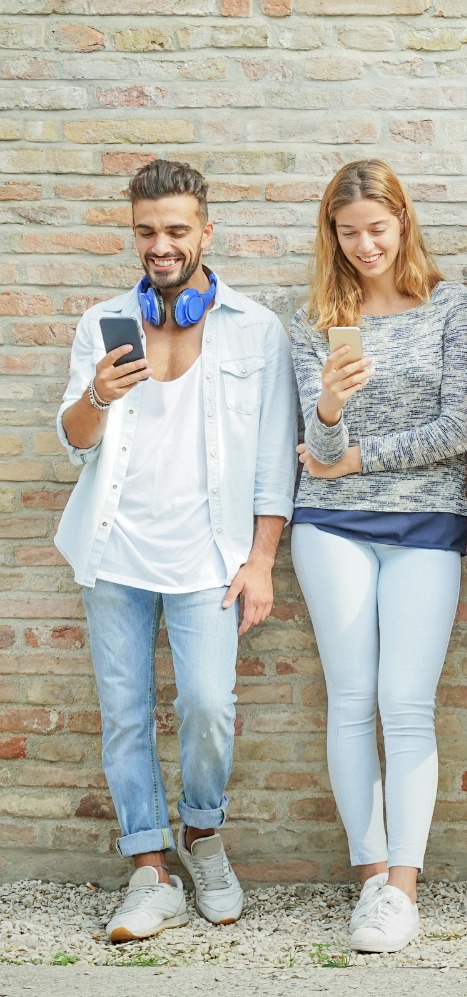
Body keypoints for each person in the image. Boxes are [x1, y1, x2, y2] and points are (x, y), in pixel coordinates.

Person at [54, 159, 296, 942]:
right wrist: (97, 395)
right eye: (147, 231)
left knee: (207, 706)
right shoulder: (102, 324)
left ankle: (201, 832)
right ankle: (149, 868)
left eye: (176, 230)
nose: (161, 245)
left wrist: (261, 560)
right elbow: (73, 443)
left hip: (209, 558)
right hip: (114, 551)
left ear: (205, 232)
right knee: (125, 716)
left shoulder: (255, 329)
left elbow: (272, 459)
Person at [288, 159, 467, 953]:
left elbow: (458, 430)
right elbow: (314, 449)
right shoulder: (311, 318)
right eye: (348, 231)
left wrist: (356, 457)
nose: (364, 244)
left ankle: (404, 885)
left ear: (403, 223)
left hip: (426, 525)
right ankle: (369, 878)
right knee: (350, 697)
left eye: (377, 227)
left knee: (405, 703)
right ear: (330, 236)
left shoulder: (450, 307)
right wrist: (331, 403)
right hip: (329, 527)